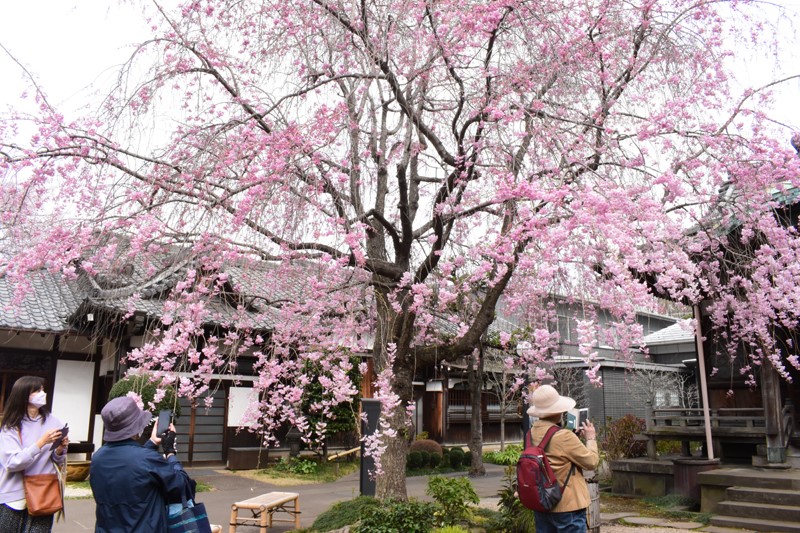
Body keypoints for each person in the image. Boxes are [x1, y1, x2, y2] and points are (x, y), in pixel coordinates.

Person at [90, 396, 192, 533]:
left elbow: (132, 463)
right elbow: (182, 485)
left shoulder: (97, 458)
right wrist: (170, 452)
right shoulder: (146, 459)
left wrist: (152, 442)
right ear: (136, 427)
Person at [0, 376, 69, 533]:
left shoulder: (53, 421)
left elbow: (56, 460)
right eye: (37, 391)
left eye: (43, 390)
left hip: (44, 490)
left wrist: (60, 449)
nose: (42, 393)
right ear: (24, 395)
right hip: (13, 494)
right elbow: (12, 463)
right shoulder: (11, 426)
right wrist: (41, 443)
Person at [527, 384, 599, 533]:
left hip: (543, 503)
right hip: (568, 506)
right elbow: (591, 462)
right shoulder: (564, 437)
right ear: (558, 411)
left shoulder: (530, 433)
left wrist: (572, 436)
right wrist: (590, 438)